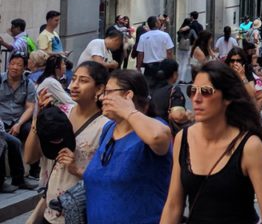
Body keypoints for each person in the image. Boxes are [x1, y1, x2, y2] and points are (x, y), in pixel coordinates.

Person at [158, 60, 262, 224]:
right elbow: (173, 205)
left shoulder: (250, 146)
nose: (196, 98)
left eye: (206, 91)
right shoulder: (183, 138)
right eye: (192, 91)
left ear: (227, 98)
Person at [23, 61, 110, 222]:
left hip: (80, 211)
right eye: (74, 78)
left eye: (83, 81)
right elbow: (29, 158)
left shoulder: (106, 126)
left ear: (99, 88)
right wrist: (39, 117)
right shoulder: (59, 114)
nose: (75, 85)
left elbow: (107, 178)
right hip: (50, 208)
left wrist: (76, 169)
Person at [82, 69, 173, 224]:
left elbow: (158, 136)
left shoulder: (153, 128)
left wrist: (128, 111)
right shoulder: (108, 129)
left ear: (128, 95)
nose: (102, 97)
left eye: (108, 91)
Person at [0, 53, 37, 191]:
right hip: (1, 121)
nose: (15, 67)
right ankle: (12, 179)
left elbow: (30, 107)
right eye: (12, 63)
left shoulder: (28, 83)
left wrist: (19, 124)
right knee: (8, 142)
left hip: (18, 120)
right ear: (8, 64)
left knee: (32, 131)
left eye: (19, 65)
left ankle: (34, 169)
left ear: (24, 67)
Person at [136, 15, 175, 82]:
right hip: (162, 66)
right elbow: (169, 51)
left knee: (149, 88)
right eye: (159, 21)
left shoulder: (143, 37)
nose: (160, 22)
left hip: (148, 68)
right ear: (156, 24)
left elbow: (140, 53)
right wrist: (170, 65)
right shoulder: (165, 35)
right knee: (162, 86)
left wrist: (138, 67)